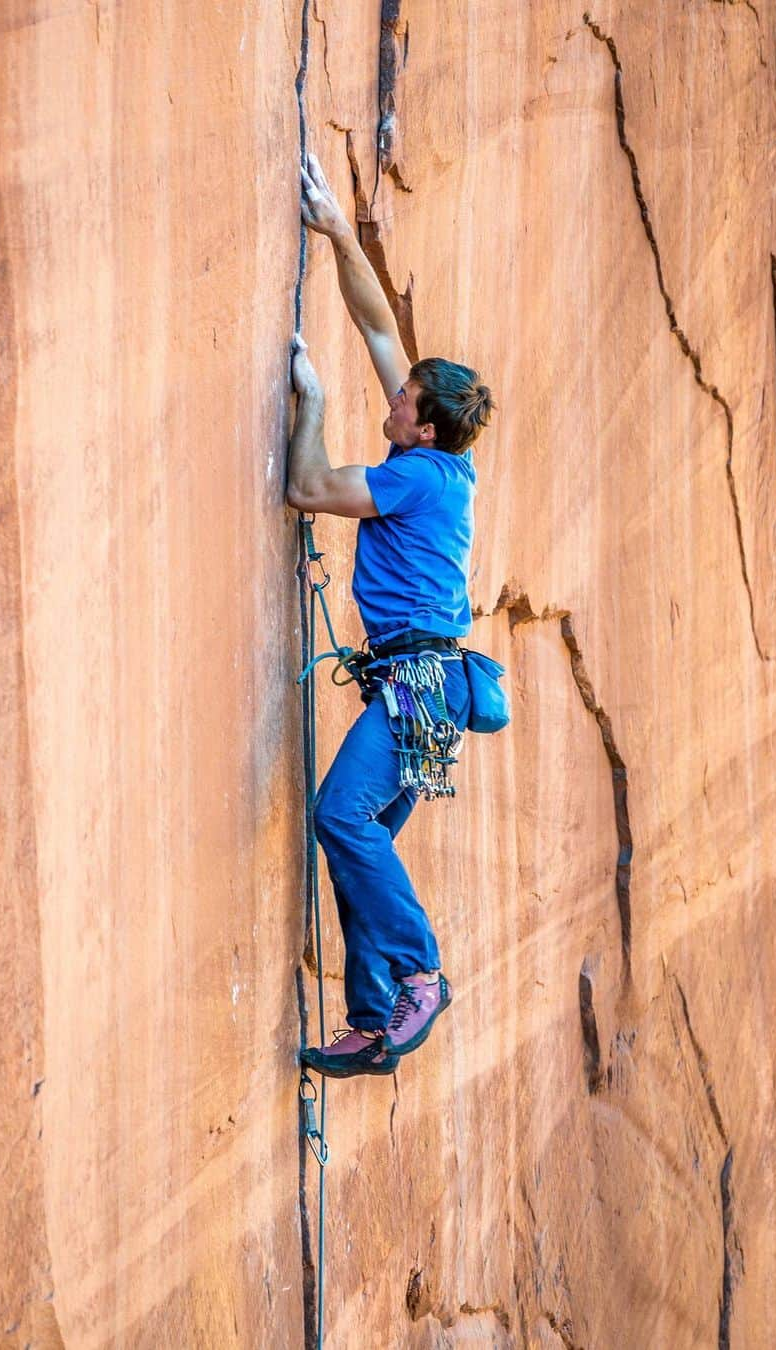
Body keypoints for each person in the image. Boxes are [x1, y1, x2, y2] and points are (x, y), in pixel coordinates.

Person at [287, 151, 495, 1079]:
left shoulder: (411, 478)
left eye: (404, 400)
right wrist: (335, 225)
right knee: (353, 836)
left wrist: (315, 405)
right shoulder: (438, 462)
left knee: (343, 816)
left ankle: (418, 976)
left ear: (425, 429)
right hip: (428, 688)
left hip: (418, 685)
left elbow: (307, 486)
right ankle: (374, 1023)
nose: (393, 393)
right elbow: (377, 324)